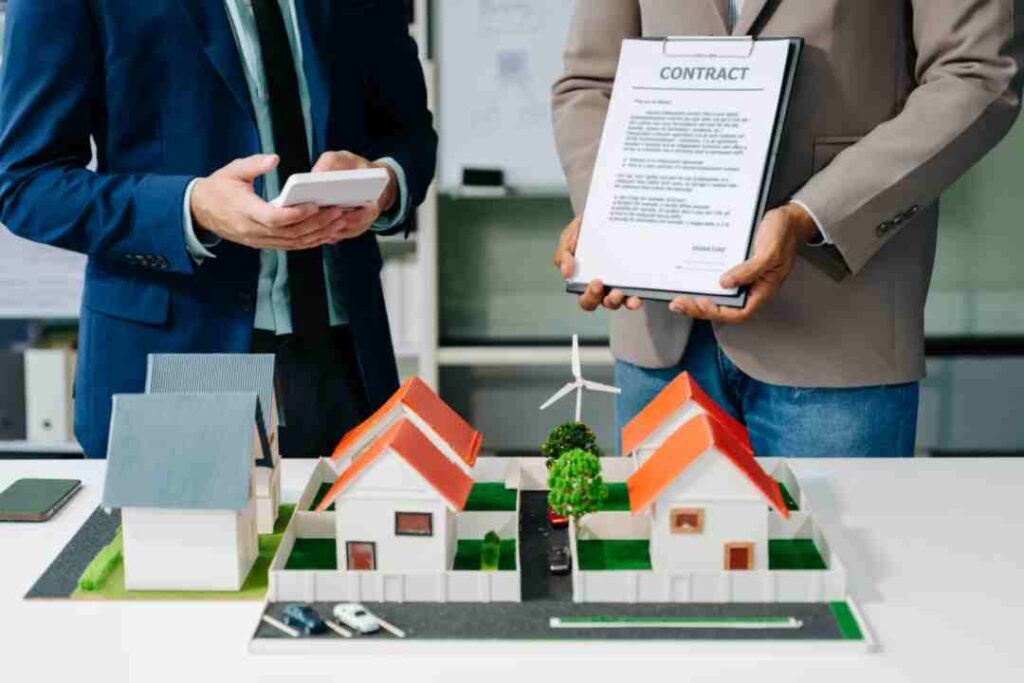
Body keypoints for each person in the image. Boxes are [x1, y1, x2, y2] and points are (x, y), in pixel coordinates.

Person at [552, 0, 1022, 457]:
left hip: (836, 327)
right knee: (663, 538)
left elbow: (976, 75)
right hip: (659, 337)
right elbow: (590, 82)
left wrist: (810, 214)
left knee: (844, 538)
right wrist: (611, 212)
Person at [0, 0, 437, 459]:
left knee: (356, 527)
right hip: (175, 349)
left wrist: (383, 184)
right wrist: (193, 208)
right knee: (184, 533)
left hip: (344, 352)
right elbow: (27, 183)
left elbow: (408, 136)